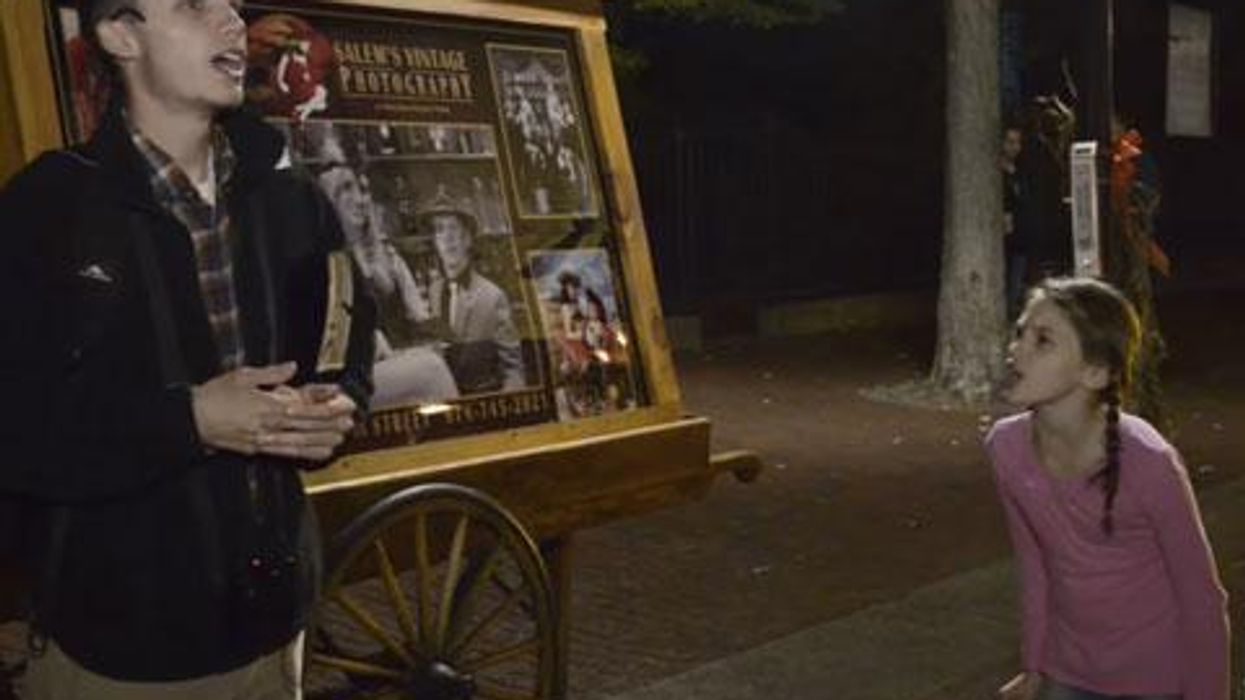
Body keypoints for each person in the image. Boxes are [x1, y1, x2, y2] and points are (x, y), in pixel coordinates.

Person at [0, 0, 376, 697]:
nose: (233, 21)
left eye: (233, 4)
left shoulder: (297, 203)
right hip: (118, 649)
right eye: (194, 4)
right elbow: (16, 429)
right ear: (119, 33)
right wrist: (190, 421)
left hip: (279, 631)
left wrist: (334, 410)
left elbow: (345, 355)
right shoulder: (42, 211)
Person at [989, 278, 1228, 700]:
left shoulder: (1148, 462)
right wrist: (1034, 667)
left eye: (1043, 341)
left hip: (1154, 676)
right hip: (1069, 670)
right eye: (1020, 332)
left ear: (1096, 372)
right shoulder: (1006, 447)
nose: (1017, 348)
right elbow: (1034, 565)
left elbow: (1202, 598)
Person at [317, 162, 458, 407]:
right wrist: (367, 341)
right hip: (350, 381)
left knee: (434, 362)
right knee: (431, 370)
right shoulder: (321, 264)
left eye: (362, 190)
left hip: (394, 367)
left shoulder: (389, 258)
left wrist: (433, 340)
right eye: (346, 189)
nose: (361, 200)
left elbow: (420, 319)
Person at [422, 188, 526, 395]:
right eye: (440, 230)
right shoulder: (433, 291)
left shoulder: (492, 296)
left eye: (454, 228)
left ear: (467, 239)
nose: (448, 238)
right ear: (434, 242)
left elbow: (513, 370)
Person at [1105, 112, 1169, 433]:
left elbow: (1148, 196)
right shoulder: (1111, 158)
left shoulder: (1136, 159)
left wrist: (1135, 211)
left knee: (1138, 303)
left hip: (1134, 241)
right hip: (1120, 244)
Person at [1001, 123, 1027, 317]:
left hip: (1019, 237)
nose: (1015, 147)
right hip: (1005, 238)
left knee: (1015, 283)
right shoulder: (997, 173)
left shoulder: (1019, 171)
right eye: (1010, 142)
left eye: (1017, 142)